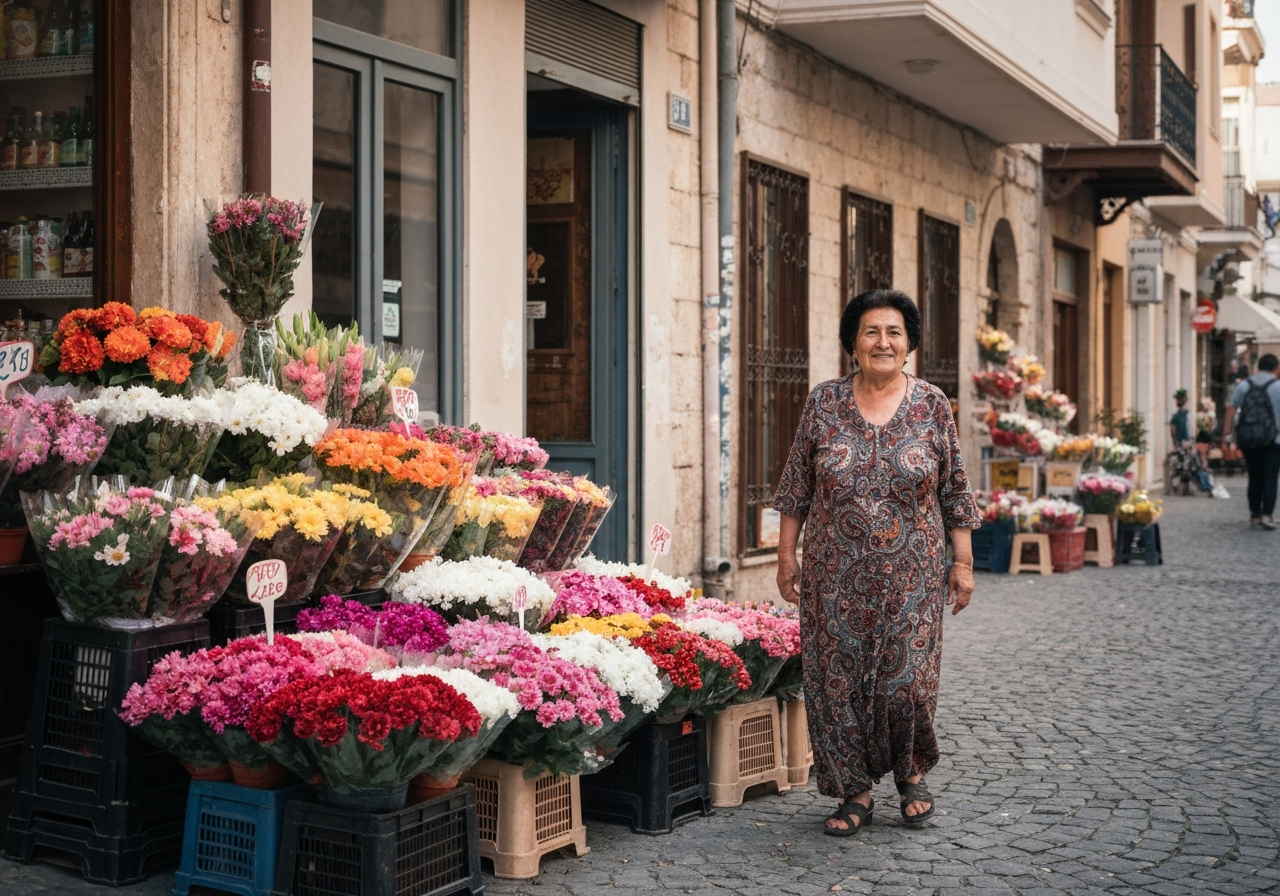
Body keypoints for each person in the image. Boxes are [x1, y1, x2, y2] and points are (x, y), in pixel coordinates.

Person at [773, 289, 980, 837]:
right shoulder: (824, 402)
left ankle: (911, 774)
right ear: (853, 343)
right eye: (871, 332)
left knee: (904, 683)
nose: (882, 342)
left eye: (893, 332)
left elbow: (955, 490)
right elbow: (796, 486)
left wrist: (962, 563)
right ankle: (854, 790)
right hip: (833, 577)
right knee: (835, 682)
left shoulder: (932, 404)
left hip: (913, 577)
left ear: (909, 344)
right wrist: (786, 556)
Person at [1222, 353, 1280, 529]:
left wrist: (1226, 435)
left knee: (1254, 476)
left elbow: (1231, 410)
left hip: (1249, 438)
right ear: (1276, 368)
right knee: (1270, 476)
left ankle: (1255, 515)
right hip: (1275, 439)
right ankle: (1268, 515)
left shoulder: (1244, 385)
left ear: (1258, 367)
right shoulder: (1278, 386)